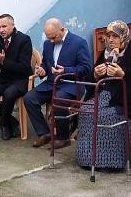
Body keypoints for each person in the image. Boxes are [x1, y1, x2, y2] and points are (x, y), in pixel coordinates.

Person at [76, 20, 131, 169]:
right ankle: (88, 158)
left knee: (104, 115)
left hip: (125, 101)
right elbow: (91, 82)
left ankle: (111, 161)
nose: (110, 40)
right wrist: (95, 75)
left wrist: (123, 75)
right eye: (108, 36)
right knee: (86, 110)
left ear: (124, 37)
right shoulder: (106, 54)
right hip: (104, 96)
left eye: (115, 36)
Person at [24, 18, 91, 149]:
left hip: (71, 83)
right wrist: (42, 70)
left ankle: (63, 137)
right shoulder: (48, 43)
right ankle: (44, 133)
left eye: (54, 37)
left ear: (62, 29)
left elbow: (86, 68)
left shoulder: (79, 42)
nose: (51, 41)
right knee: (29, 98)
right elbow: (45, 63)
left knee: (59, 98)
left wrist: (66, 70)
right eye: (48, 37)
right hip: (51, 83)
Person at [0, 14, 33, 140]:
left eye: (4, 26)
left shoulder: (24, 40)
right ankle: (12, 121)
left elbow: (24, 68)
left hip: (21, 79)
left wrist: (3, 61)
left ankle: (4, 125)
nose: (1, 30)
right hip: (4, 78)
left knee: (9, 94)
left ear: (12, 25)